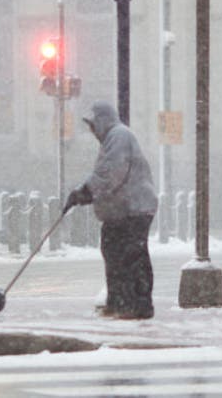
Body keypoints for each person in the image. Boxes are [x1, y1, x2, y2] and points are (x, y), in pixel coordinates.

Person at [64, 101, 159, 319]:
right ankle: (120, 302)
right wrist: (84, 191)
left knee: (131, 256)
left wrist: (86, 191)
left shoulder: (118, 136)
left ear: (102, 121)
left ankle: (136, 304)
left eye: (92, 124)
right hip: (122, 211)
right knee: (114, 252)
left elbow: (111, 173)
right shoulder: (112, 138)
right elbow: (106, 173)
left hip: (133, 209)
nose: (91, 130)